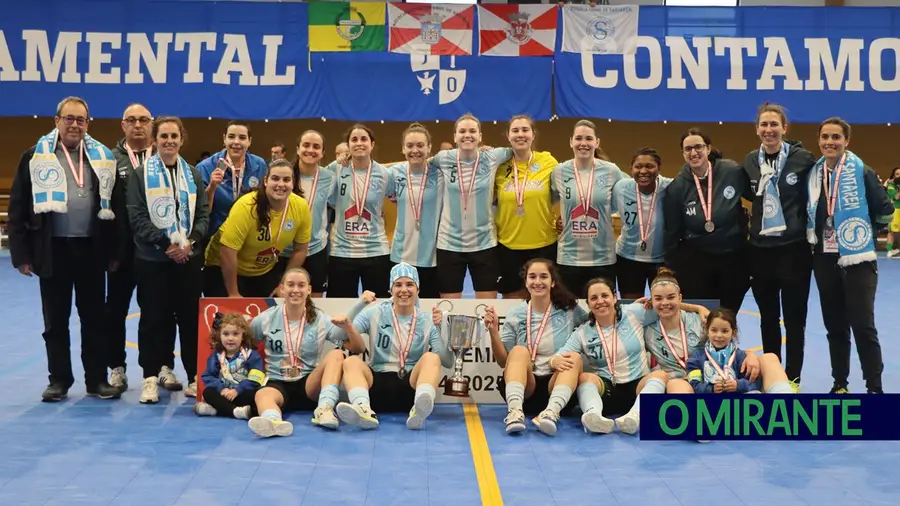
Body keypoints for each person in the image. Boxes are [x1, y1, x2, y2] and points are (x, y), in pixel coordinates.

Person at [8, 96, 121, 402]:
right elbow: (18, 205)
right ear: (56, 120)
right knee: (55, 321)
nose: (74, 124)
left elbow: (116, 208)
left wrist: (113, 252)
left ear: (88, 123)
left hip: (91, 249)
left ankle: (96, 380)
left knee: (94, 318)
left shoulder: (102, 157)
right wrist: (21, 255)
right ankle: (58, 379)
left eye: (80, 120)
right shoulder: (34, 156)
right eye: (68, 118)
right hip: (51, 249)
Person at [126, 116, 209, 403]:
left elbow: (202, 215)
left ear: (182, 139)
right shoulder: (140, 175)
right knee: (153, 319)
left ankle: (194, 375)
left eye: (174, 136)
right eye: (164, 136)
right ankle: (150, 376)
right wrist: (167, 244)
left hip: (187, 260)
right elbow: (136, 216)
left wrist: (191, 243)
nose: (169, 141)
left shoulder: (193, 174)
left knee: (189, 319)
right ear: (155, 140)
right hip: (152, 260)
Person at [808, 117, 893, 394]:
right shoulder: (814, 174)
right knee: (835, 326)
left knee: (862, 325)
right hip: (824, 258)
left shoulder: (861, 171)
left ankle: (874, 387)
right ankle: (840, 383)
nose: (830, 142)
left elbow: (885, 208)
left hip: (858, 259)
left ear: (846, 141)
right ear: (819, 140)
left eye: (836, 137)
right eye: (825, 137)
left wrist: (863, 231)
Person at [742, 103, 817, 387]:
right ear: (757, 129)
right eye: (764, 125)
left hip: (794, 249)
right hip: (761, 252)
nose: (769, 129)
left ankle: (793, 377)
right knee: (768, 318)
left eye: (774, 124)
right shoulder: (750, 161)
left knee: (795, 320)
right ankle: (773, 378)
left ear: (784, 128)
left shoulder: (803, 159)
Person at [247, 269, 371, 438]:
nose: (296, 290)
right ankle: (273, 421)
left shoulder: (320, 318)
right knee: (262, 394)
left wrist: (349, 325)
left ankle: (324, 409)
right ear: (281, 289)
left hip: (309, 384)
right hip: (278, 382)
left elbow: (358, 349)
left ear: (309, 290)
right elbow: (247, 346)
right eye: (290, 285)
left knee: (336, 355)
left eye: (301, 285)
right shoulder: (264, 319)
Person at [336, 263, 455, 430]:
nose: (404, 290)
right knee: (351, 362)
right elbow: (337, 335)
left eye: (409, 284)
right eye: (398, 285)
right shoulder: (374, 312)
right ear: (390, 290)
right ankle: (363, 409)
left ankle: (419, 411)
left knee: (432, 357)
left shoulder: (428, 320)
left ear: (418, 289)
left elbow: (448, 362)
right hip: (377, 385)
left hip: (411, 388)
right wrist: (359, 304)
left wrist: (441, 328)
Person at [487, 259, 589, 435]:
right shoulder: (515, 313)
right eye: (532, 277)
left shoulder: (570, 310)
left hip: (555, 385)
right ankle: (515, 412)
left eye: (544, 276)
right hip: (526, 387)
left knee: (574, 357)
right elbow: (503, 361)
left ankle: (551, 413)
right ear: (526, 282)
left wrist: (635, 308)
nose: (538, 282)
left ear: (553, 281)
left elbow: (598, 321)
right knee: (519, 351)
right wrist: (493, 331)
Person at [555, 277, 668, 435]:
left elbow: (667, 307)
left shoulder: (634, 313)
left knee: (660, 375)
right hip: (607, 391)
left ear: (615, 297)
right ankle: (593, 415)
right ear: (587, 304)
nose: (600, 301)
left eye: (605, 296)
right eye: (594, 298)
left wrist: (698, 309)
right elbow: (560, 355)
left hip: (637, 387)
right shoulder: (583, 331)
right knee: (585, 377)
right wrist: (555, 360)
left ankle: (636, 416)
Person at [663, 128, 750, 313]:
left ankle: (728, 343)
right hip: (697, 262)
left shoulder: (731, 171)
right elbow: (672, 231)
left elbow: (757, 197)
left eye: (698, 147)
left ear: (708, 149)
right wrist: (669, 266)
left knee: (728, 316)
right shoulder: (677, 187)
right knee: (702, 317)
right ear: (683, 154)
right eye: (688, 149)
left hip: (733, 258)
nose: (693, 153)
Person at [642, 267, 765, 394]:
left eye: (671, 297)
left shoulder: (700, 321)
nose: (665, 303)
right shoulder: (646, 330)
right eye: (658, 299)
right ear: (651, 300)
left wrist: (750, 354)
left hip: (710, 381)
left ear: (680, 298)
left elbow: (724, 345)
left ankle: (785, 399)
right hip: (679, 384)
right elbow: (623, 312)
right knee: (678, 385)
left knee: (769, 359)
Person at [431, 113, 512, 299]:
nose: (467, 135)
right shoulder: (443, 158)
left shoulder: (493, 156)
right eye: (462, 131)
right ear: (455, 137)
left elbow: (519, 150)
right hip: (449, 244)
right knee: (449, 311)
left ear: (480, 136)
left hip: (484, 244)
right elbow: (414, 163)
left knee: (486, 311)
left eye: (472, 131)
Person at [204, 160, 311, 297]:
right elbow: (227, 251)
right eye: (275, 178)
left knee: (267, 313)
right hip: (222, 267)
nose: (281, 184)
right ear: (266, 181)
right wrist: (233, 293)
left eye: (286, 180)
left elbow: (301, 249)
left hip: (263, 270)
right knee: (231, 315)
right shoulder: (246, 206)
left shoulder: (301, 207)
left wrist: (283, 284)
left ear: (293, 183)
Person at [106, 103, 154, 393]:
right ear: (122, 125)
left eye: (144, 120)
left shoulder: (164, 158)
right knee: (115, 312)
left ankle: (154, 370)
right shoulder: (109, 160)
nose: (138, 125)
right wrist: (109, 250)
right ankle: (116, 368)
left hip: (153, 251)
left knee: (153, 312)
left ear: (152, 125)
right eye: (131, 120)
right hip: (120, 253)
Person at [553, 120, 627, 298]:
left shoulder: (612, 171)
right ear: (571, 141)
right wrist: (557, 220)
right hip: (568, 258)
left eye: (588, 138)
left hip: (603, 258)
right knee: (570, 312)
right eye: (578, 138)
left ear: (597, 142)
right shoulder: (559, 171)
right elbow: (546, 199)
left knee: (602, 312)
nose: (583, 143)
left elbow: (625, 197)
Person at [325, 124, 395, 297]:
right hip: (342, 251)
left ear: (372, 144)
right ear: (348, 145)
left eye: (364, 139)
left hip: (376, 251)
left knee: (379, 309)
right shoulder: (336, 168)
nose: (359, 143)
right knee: (340, 308)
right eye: (354, 139)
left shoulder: (385, 174)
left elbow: (399, 201)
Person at [494, 115, 559, 298]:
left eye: (525, 130)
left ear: (533, 135)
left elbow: (565, 193)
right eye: (515, 130)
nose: (520, 134)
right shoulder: (499, 166)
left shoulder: (548, 162)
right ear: (508, 135)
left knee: (544, 300)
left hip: (544, 244)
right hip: (508, 246)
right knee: (512, 304)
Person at [275, 130, 335, 298]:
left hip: (315, 248)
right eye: (306, 145)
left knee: (314, 302)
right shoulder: (285, 176)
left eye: (316, 147)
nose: (311, 150)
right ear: (298, 148)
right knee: (280, 298)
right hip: (283, 249)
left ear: (322, 153)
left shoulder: (330, 177)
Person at [388, 123, 444, 298]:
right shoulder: (394, 173)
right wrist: (348, 157)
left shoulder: (441, 173)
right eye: (410, 146)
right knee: (400, 308)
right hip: (400, 255)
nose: (415, 150)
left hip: (433, 257)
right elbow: (368, 168)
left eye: (420, 145)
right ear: (403, 149)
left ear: (429, 148)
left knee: (429, 310)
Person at [612, 147, 673, 299]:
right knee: (631, 306)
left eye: (650, 166)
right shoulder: (621, 188)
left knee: (663, 305)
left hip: (661, 260)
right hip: (627, 258)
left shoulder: (670, 187)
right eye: (638, 166)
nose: (643, 171)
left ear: (659, 168)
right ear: (631, 169)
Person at [197, 121, 268, 240]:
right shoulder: (205, 168)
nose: (236, 142)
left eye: (242, 137)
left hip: (248, 237)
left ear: (249, 141)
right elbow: (201, 212)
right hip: (215, 238)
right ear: (224, 139)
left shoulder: (260, 165)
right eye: (231, 136)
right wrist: (212, 187)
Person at [195, 312, 264, 419]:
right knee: (208, 392)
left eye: (236, 334)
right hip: (223, 394)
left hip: (241, 393)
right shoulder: (217, 356)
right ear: (219, 335)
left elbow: (256, 378)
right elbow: (208, 376)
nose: (230, 338)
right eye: (226, 334)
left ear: (243, 335)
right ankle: (235, 412)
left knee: (255, 395)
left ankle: (217, 410)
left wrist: (238, 390)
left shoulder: (251, 355)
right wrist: (222, 389)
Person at [686, 309, 762, 394]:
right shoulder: (696, 358)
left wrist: (738, 385)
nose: (719, 335)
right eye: (714, 330)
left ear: (733, 332)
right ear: (707, 330)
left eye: (725, 331)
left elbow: (756, 383)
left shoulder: (741, 357)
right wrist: (711, 389)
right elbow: (694, 385)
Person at [885, 167, 900, 258]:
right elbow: (897, 197)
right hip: (895, 210)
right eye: (897, 174)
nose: (899, 176)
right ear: (893, 176)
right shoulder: (891, 185)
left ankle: (897, 249)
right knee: (892, 232)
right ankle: (890, 250)